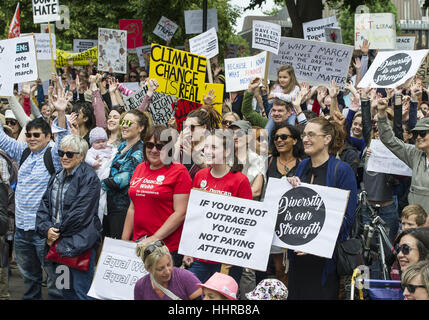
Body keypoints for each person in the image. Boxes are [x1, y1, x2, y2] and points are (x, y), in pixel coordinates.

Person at [0, 87, 70, 300]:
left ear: (47, 136)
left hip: (46, 231)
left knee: (56, 280)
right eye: (28, 134)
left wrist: (60, 112)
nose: (31, 138)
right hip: (22, 230)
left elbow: (65, 139)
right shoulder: (23, 152)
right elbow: (2, 140)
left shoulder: (54, 156)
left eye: (36, 135)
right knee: (29, 279)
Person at [286, 117, 357, 299]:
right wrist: (288, 187)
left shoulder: (342, 170)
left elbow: (347, 219)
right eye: (304, 135)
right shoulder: (302, 166)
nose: (305, 139)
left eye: (311, 134)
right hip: (297, 258)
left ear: (327, 139)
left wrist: (315, 244)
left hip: (324, 261)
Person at [36, 135, 102, 300]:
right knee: (64, 291)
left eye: (69, 154)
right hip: (58, 246)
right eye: (61, 153)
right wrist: (46, 229)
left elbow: (80, 215)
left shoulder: (90, 178)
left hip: (78, 245)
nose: (64, 157)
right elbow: (44, 206)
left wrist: (54, 232)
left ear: (81, 156)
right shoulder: (57, 176)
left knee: (82, 292)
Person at [183, 130, 253, 285]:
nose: (207, 151)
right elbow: (193, 215)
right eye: (206, 147)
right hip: (199, 255)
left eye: (214, 147)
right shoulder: (200, 175)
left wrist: (236, 254)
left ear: (227, 151)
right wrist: (187, 248)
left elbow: (246, 222)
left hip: (226, 257)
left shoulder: (240, 180)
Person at [122, 125, 192, 267]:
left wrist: (154, 238)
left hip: (165, 248)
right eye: (150, 145)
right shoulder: (140, 168)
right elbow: (132, 208)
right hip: (140, 244)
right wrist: (124, 241)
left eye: (160, 146)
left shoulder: (179, 171)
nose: (154, 150)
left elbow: (180, 213)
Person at [102, 109, 147, 239]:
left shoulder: (139, 151)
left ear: (141, 128)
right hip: (108, 206)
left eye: (129, 123)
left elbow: (120, 181)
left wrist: (94, 183)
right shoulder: (121, 146)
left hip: (123, 209)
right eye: (123, 122)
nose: (124, 126)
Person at [134, 240, 202, 300]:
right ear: (148, 269)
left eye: (169, 264)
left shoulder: (186, 277)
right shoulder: (140, 286)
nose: (167, 271)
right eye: (160, 269)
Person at [85, 127, 116, 223]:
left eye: (103, 141)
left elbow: (115, 152)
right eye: (97, 142)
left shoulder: (109, 147)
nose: (101, 144)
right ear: (92, 143)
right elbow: (87, 158)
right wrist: (94, 162)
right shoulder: (92, 151)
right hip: (98, 172)